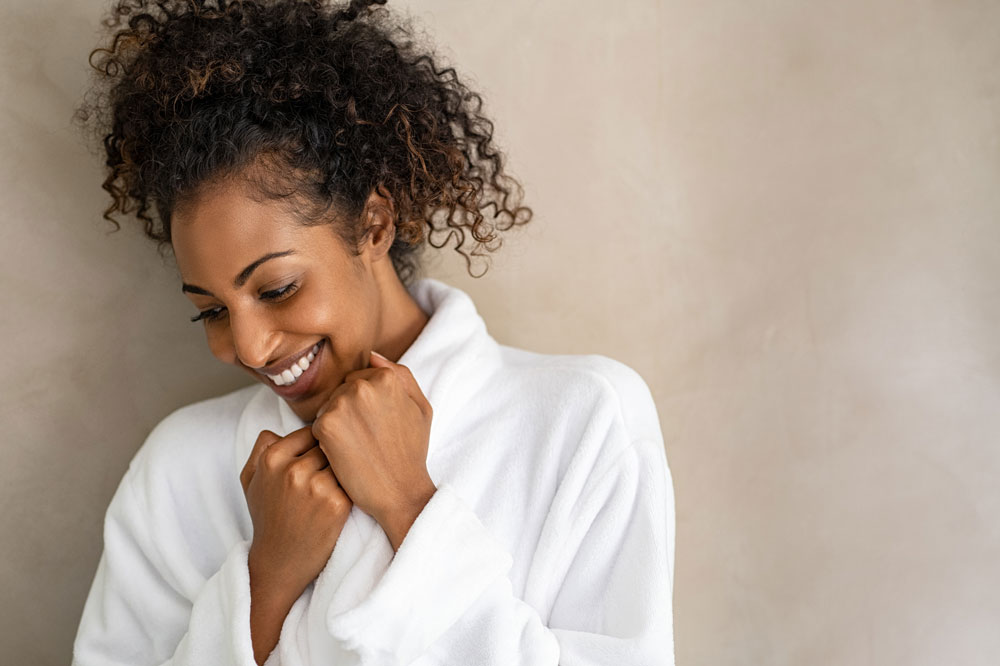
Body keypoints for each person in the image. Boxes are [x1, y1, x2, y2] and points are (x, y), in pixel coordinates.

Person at [70, 1, 676, 664]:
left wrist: (410, 508)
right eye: (211, 310)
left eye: (276, 290)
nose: (246, 348)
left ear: (375, 224)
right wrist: (265, 586)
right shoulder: (180, 468)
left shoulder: (580, 422)